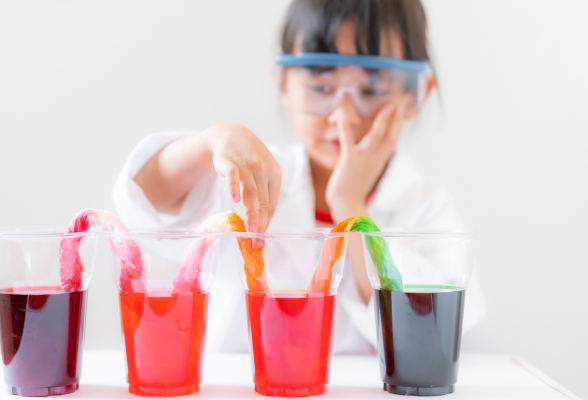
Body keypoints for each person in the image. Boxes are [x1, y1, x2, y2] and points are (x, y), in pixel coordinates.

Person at [113, 0, 485, 354]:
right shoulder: (256, 178)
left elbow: (424, 328)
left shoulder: (425, 207)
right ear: (283, 86)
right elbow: (148, 199)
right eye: (321, 87)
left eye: (371, 89)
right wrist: (212, 140)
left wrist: (349, 205)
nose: (344, 117)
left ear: (417, 95)